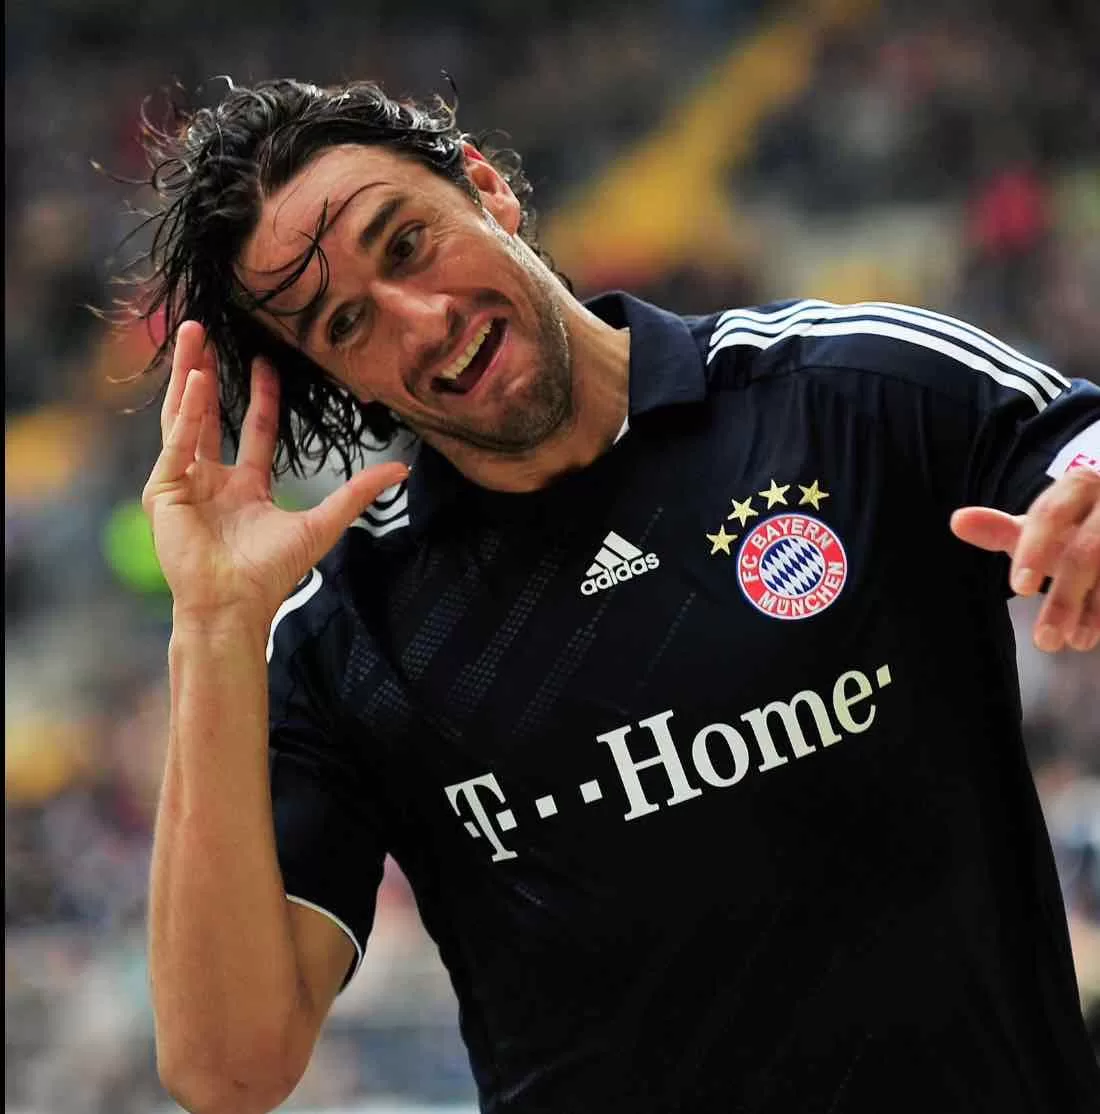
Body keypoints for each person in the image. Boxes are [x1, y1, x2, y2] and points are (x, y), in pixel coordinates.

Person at [132, 78, 1100, 1114]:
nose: (422, 320)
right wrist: (211, 626)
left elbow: (1075, 446)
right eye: (346, 323)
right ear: (341, 379)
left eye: (407, 243)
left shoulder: (847, 392)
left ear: (487, 189)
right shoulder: (349, 628)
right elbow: (228, 1069)